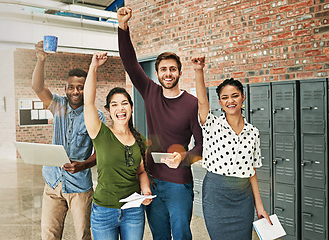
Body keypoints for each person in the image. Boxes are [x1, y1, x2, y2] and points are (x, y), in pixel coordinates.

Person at [117, 6, 203, 240]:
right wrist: (123, 27)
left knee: (182, 235)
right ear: (156, 74)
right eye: (163, 69)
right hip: (153, 182)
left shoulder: (191, 103)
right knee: (160, 236)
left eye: (172, 69)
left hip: (179, 184)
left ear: (179, 73)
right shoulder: (150, 92)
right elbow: (129, 62)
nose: (168, 73)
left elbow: (202, 147)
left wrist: (184, 158)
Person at [32, 41, 106, 240]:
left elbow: (102, 151)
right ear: (65, 88)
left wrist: (84, 165)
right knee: (49, 235)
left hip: (80, 187)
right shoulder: (58, 105)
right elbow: (38, 87)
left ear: (87, 88)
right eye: (71, 87)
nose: (75, 92)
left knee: (83, 235)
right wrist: (40, 60)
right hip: (53, 182)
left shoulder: (96, 115)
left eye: (81, 88)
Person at [193, 56, 272, 239]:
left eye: (235, 95)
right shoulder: (212, 124)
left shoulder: (253, 132)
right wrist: (199, 71)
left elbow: (251, 171)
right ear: (220, 102)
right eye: (225, 97)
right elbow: (202, 102)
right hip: (216, 194)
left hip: (243, 198)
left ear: (243, 97)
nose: (231, 101)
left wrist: (259, 207)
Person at [83, 51, 152, 240]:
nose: (120, 109)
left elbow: (141, 172)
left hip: (133, 212)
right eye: (114, 105)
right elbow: (88, 103)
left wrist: (145, 191)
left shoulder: (140, 139)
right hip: (104, 211)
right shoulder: (101, 133)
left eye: (124, 104)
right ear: (108, 110)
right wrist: (93, 67)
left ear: (131, 107)